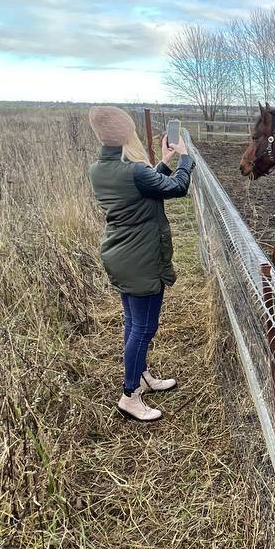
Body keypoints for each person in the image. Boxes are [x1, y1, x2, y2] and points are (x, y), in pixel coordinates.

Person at [87, 106, 194, 422]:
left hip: (122, 256)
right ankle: (130, 395)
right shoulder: (133, 170)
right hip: (141, 259)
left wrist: (164, 161)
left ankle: (141, 376)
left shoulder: (99, 169)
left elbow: (143, 188)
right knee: (144, 327)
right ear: (126, 134)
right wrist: (185, 158)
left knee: (133, 323)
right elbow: (177, 188)